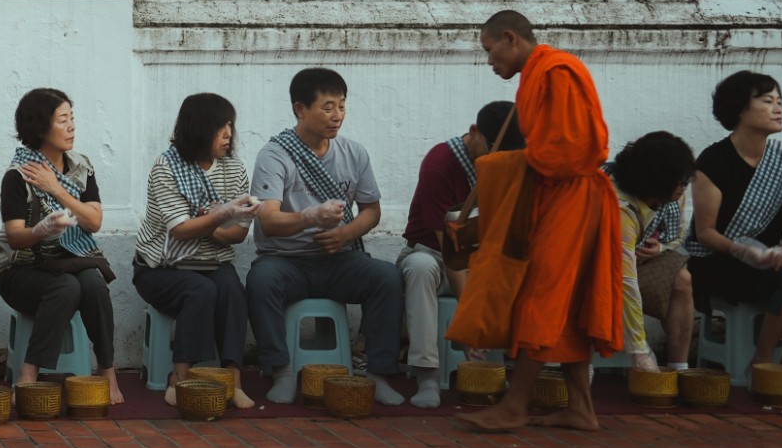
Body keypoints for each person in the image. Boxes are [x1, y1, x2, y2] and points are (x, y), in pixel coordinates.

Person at [452, 10, 622, 432]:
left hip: (572, 198)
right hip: (558, 197)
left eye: (491, 51)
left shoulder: (558, 70)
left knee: (542, 296)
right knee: (566, 300)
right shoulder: (536, 75)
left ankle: (515, 405)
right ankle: (581, 408)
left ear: (510, 38)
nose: (490, 62)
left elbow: (573, 151)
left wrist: (509, 164)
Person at [248, 68, 408, 407]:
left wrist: (344, 234)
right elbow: (269, 221)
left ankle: (378, 373)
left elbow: (371, 211)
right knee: (260, 280)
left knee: (387, 278)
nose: (337, 116)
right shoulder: (274, 155)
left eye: (342, 106)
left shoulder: (354, 153)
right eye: (327, 107)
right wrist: (311, 217)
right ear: (300, 109)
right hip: (286, 262)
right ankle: (281, 370)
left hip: (339, 259)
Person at [0, 87, 123, 402]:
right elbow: (14, 237)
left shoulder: (81, 166)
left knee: (92, 283)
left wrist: (57, 190)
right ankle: (29, 371)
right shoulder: (18, 175)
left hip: (71, 259)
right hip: (21, 269)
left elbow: (93, 222)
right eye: (63, 120)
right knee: (66, 287)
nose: (72, 127)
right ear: (40, 127)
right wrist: (43, 229)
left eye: (72, 119)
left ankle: (107, 371)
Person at [134, 93, 258, 408]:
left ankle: (233, 379)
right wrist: (220, 217)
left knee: (231, 290)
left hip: (214, 262)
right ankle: (180, 376)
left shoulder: (234, 169)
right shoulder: (168, 167)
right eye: (220, 127)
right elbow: (180, 229)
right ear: (200, 128)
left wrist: (213, 224)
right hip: (161, 269)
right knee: (200, 291)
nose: (229, 133)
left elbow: (238, 234)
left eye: (230, 125)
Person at [396, 101, 523, 407]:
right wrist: (470, 322)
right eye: (492, 149)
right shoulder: (440, 162)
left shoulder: (505, 168)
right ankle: (427, 374)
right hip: (435, 254)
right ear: (473, 132)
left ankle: (503, 369)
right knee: (421, 267)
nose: (496, 158)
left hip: (481, 259)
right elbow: (452, 255)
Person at [685, 71, 782, 371]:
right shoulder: (712, 162)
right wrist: (746, 251)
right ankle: (762, 361)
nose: (779, 109)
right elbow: (706, 232)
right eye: (767, 101)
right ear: (740, 109)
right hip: (722, 260)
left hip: (778, 257)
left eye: (779, 101)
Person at [607, 132, 697, 373]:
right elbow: (625, 281)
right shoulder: (620, 209)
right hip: (600, 269)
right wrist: (639, 349)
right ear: (658, 182)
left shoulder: (671, 193)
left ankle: (679, 368)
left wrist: (661, 248)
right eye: (681, 183)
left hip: (642, 260)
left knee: (683, 279)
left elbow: (679, 235)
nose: (684, 189)